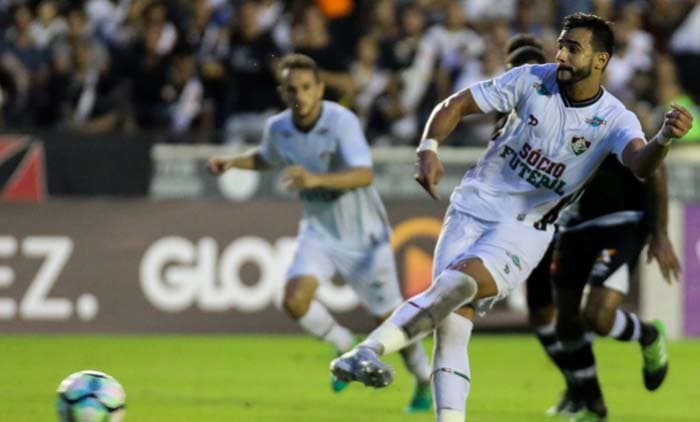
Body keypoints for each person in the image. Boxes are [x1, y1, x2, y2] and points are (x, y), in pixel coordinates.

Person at [330, 13, 693, 422]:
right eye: (561, 44)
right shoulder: (530, 79)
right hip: (469, 207)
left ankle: (368, 350)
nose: (561, 54)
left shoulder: (614, 118)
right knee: (450, 328)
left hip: (524, 228)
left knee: (459, 282)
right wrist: (428, 146)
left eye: (574, 48)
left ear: (601, 60)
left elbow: (642, 165)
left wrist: (662, 138)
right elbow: (458, 103)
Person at [207, 53, 432, 412]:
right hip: (320, 232)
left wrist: (315, 179)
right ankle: (345, 347)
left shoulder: (341, 121)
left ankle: (423, 380)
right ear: (282, 91)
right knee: (294, 300)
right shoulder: (278, 128)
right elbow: (267, 157)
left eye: (307, 88)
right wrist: (233, 161)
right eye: (292, 89)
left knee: (389, 321)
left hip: (365, 237)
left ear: (320, 89)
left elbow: (364, 174)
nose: (300, 95)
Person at [500, 35, 681, 421]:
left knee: (595, 317)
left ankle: (647, 335)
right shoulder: (528, 115)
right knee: (564, 322)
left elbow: (654, 169)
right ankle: (591, 405)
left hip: (620, 221)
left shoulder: (612, 114)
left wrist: (660, 234)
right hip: (572, 225)